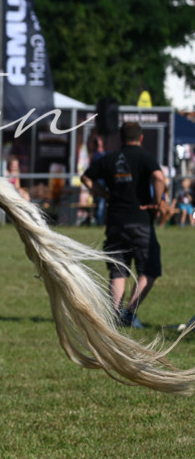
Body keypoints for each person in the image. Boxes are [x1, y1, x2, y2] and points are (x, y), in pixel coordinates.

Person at [81, 122, 165, 328]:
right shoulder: (145, 157)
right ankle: (128, 314)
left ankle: (115, 317)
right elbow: (159, 177)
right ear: (141, 138)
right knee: (149, 270)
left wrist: (106, 195)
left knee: (118, 270)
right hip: (140, 221)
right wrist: (157, 202)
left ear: (120, 138)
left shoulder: (109, 158)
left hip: (115, 220)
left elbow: (86, 178)